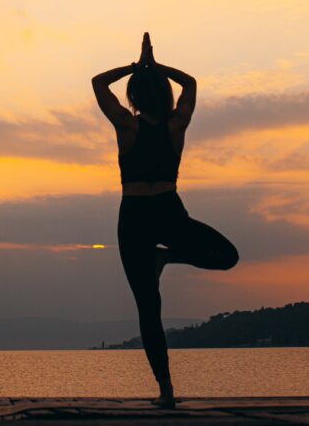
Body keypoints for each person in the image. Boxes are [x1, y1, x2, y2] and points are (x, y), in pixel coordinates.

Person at [91, 32, 238, 407]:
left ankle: (166, 391)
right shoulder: (176, 126)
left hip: (134, 216)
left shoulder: (127, 126)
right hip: (168, 211)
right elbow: (190, 83)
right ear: (165, 94)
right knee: (226, 256)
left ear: (134, 96)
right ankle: (166, 257)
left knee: (148, 306)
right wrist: (155, 67)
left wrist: (135, 67)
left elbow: (98, 83)